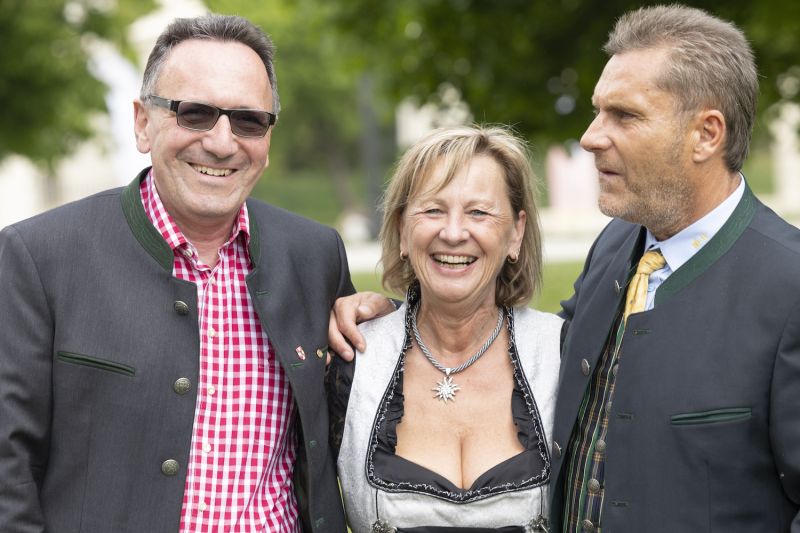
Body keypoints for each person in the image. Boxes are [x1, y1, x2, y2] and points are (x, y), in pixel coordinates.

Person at [330, 5, 800, 532]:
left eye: (624, 116)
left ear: (706, 134)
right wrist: (395, 314)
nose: (591, 136)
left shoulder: (789, 286)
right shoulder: (616, 247)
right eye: (598, 111)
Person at [0, 14, 352, 533]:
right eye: (195, 114)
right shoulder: (38, 257)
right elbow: (8, 474)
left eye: (249, 121)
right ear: (143, 123)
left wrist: (384, 317)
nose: (222, 142)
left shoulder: (316, 257)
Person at [326, 125, 562, 531]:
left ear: (516, 233)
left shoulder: (564, 353)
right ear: (402, 229)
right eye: (433, 210)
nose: (453, 233)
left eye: (479, 212)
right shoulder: (352, 359)